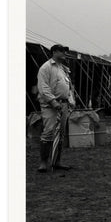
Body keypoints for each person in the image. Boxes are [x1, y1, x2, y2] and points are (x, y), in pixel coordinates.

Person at [36, 44, 75, 172]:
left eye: (65, 51)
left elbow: (68, 87)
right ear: (54, 52)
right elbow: (43, 88)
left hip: (63, 104)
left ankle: (57, 162)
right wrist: (53, 102)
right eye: (62, 51)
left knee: (60, 134)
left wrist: (71, 100)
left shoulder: (63, 68)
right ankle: (43, 163)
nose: (64, 53)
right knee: (48, 132)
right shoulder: (46, 67)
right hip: (50, 106)